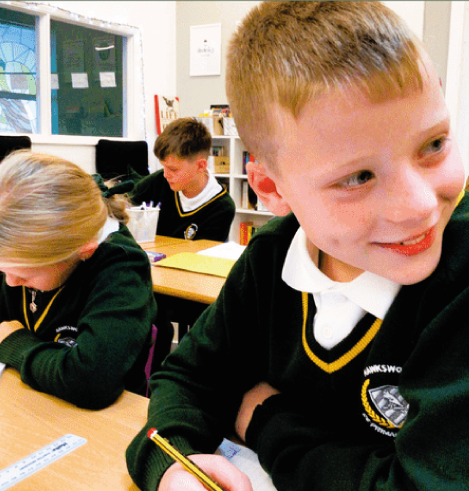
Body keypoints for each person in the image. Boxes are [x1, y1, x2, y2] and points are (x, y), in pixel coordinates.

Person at [126, 2, 469, 491]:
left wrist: (265, 418)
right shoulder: (271, 256)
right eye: (358, 177)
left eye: (434, 145)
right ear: (271, 190)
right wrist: (175, 467)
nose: (419, 206)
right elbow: (187, 379)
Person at [0, 150, 157, 409]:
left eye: (24, 274)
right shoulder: (17, 252)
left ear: (83, 251)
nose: (10, 282)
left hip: (101, 422)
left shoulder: (122, 268)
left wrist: (13, 344)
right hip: (32, 403)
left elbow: (91, 380)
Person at [130, 117, 236, 241]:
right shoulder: (158, 181)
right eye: (163, 166)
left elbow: (201, 253)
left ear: (200, 166)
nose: (166, 174)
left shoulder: (221, 208)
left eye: (173, 169)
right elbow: (125, 206)